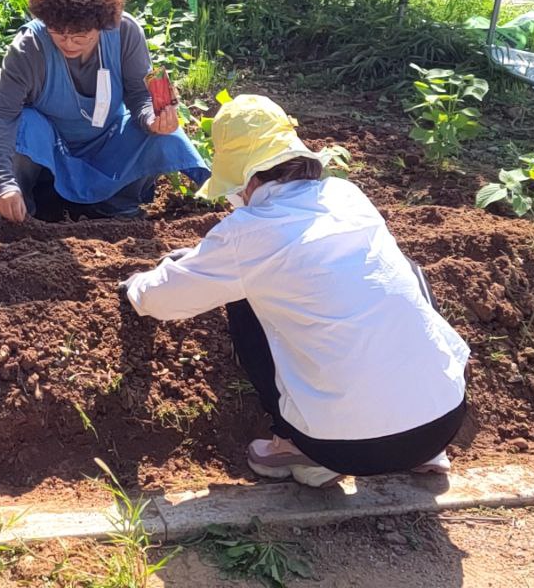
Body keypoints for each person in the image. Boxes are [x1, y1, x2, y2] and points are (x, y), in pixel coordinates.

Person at [123, 95, 470, 488]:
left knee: (244, 298)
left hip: (345, 446)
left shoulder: (248, 234)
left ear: (248, 178)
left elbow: (163, 300)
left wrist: (138, 285)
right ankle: (425, 453)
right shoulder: (347, 196)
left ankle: (292, 444)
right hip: (443, 422)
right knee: (406, 271)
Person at [0, 0, 209, 221]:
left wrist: (152, 118)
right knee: (24, 123)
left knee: (164, 136)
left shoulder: (125, 32)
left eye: (81, 35)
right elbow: (0, 114)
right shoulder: (29, 47)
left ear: (103, 25)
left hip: (108, 143)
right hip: (49, 153)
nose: (68, 43)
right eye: (58, 32)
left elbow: (139, 95)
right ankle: (22, 211)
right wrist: (2, 183)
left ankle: (116, 205)